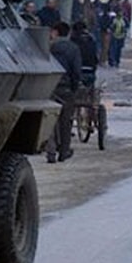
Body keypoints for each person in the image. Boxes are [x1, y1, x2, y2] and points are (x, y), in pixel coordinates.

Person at [47, 21, 82, 164]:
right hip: (66, 88)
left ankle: (51, 152)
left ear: (55, 32)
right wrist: (74, 88)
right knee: (65, 121)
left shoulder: (48, 47)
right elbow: (76, 71)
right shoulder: (73, 48)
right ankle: (64, 151)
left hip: (49, 87)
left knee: (50, 121)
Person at [71, 21, 99, 87]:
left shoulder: (73, 41)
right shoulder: (91, 40)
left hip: (78, 74)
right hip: (91, 72)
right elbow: (95, 58)